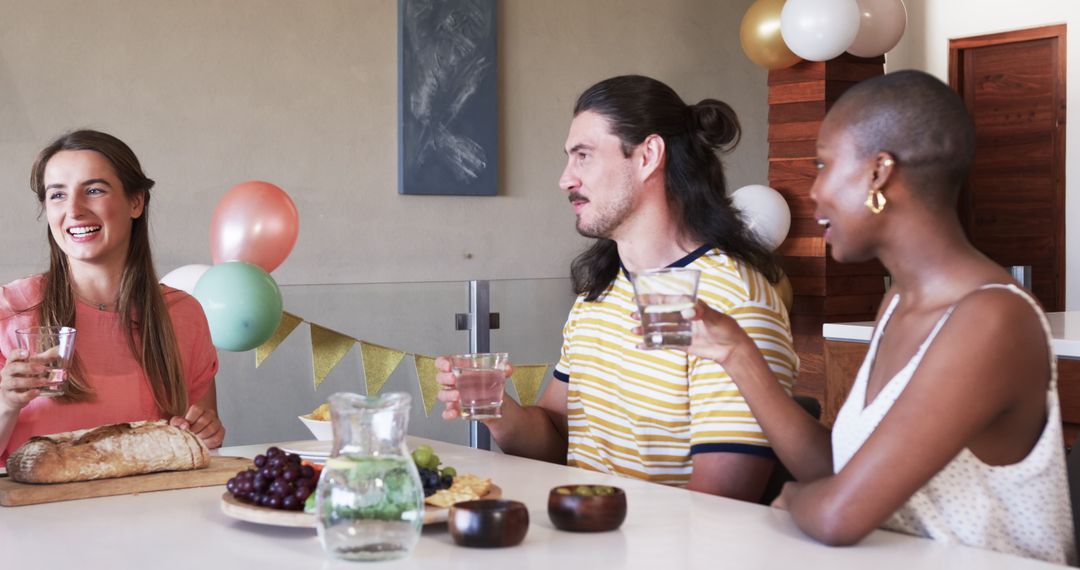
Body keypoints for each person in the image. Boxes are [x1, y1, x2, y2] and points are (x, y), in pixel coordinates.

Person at [679, 70, 1074, 564]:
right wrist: (737, 353)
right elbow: (836, 473)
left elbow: (838, 513)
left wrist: (794, 500)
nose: (814, 191)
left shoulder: (993, 318)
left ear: (878, 172)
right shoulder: (897, 305)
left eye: (823, 164)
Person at [437, 75, 799, 501]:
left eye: (583, 156)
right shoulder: (599, 294)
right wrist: (497, 407)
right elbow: (557, 440)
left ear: (648, 156)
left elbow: (719, 507)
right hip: (583, 526)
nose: (565, 179)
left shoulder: (734, 300)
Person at [0, 130, 224, 461]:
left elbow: (201, 443)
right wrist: (6, 403)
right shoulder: (10, 310)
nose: (74, 210)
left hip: (148, 494)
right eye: (57, 195)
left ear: (136, 202)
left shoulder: (183, 314)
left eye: (94, 190)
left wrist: (205, 432)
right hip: (32, 496)